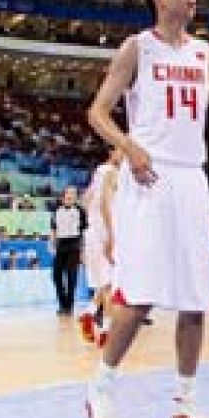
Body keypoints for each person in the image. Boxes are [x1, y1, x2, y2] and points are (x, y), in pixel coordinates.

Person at [83, 0, 209, 418]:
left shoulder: (204, 53)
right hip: (148, 177)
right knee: (139, 298)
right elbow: (97, 112)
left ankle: (186, 399)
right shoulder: (137, 47)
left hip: (191, 178)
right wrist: (130, 146)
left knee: (197, 300)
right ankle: (100, 388)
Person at [79, 148, 122, 346]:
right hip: (104, 231)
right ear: (112, 153)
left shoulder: (99, 170)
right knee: (109, 285)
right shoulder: (112, 172)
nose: (124, 155)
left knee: (103, 283)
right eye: (122, 151)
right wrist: (111, 233)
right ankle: (107, 332)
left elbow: (85, 200)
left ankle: (89, 314)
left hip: (91, 231)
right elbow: (105, 203)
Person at [50, 185, 86, 316]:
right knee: (56, 276)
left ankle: (69, 306)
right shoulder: (56, 210)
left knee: (72, 277)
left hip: (74, 245)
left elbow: (84, 231)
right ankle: (62, 303)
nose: (71, 195)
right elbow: (53, 229)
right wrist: (52, 244)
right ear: (64, 195)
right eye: (69, 193)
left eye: (74, 194)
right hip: (60, 245)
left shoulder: (80, 211)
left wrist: (83, 251)